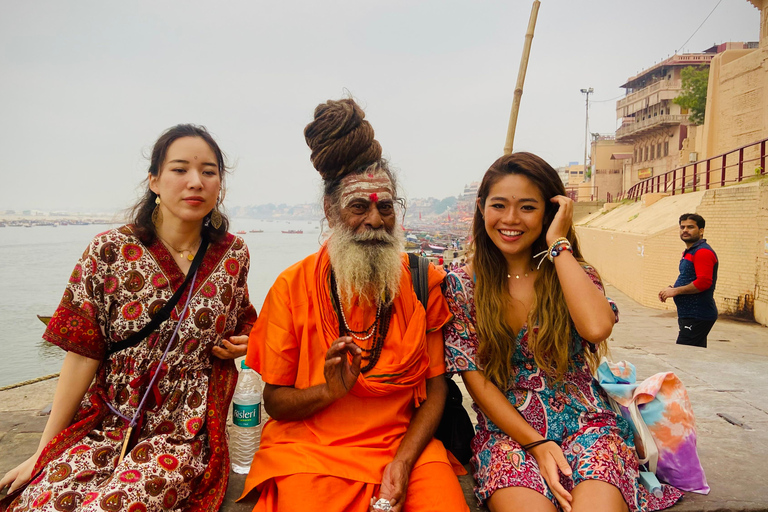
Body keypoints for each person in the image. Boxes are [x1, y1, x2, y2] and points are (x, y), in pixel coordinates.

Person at [0, 125, 257, 512]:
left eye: (208, 171)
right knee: (43, 502)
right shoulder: (108, 250)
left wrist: (245, 342)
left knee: (113, 505)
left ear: (220, 183)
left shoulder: (233, 254)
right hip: (106, 419)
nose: (195, 182)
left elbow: (246, 323)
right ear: (154, 180)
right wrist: (43, 453)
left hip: (181, 430)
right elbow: (84, 351)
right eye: (179, 169)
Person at [241, 98, 468, 512]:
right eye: (359, 207)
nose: (375, 221)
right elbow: (273, 402)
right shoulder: (292, 286)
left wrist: (401, 462)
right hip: (311, 451)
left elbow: (436, 390)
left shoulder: (421, 283)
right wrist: (330, 391)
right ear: (330, 211)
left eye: (385, 207)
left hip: (405, 446)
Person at [442, 153, 683, 512]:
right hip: (509, 435)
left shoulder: (571, 272)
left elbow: (597, 328)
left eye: (527, 207)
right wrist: (536, 443)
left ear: (550, 212)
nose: (510, 219)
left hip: (589, 426)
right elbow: (478, 381)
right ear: (481, 208)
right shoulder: (461, 284)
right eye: (499, 205)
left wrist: (559, 244)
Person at [658, 213, 718, 348]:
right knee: (694, 354)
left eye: (690, 227)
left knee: (684, 353)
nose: (685, 230)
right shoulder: (691, 251)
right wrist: (671, 288)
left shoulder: (703, 252)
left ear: (701, 231)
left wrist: (676, 291)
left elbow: (704, 282)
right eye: (682, 227)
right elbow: (688, 277)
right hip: (690, 314)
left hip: (697, 314)